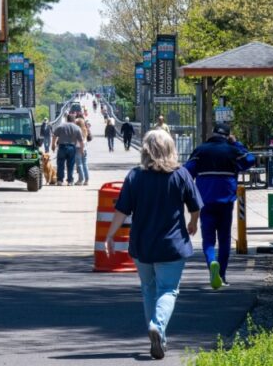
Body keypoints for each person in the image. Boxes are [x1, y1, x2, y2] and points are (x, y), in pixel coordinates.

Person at [103, 130, 202, 361]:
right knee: (168, 289)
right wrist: (192, 222)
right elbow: (195, 205)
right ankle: (157, 326)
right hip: (172, 245)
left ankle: (158, 337)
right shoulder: (181, 174)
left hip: (143, 245)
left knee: (148, 288)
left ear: (146, 150)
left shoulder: (135, 176)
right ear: (171, 148)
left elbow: (122, 210)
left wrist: (110, 235)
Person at [184, 124, 256, 289]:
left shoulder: (200, 151)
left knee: (208, 239)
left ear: (212, 133)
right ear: (228, 136)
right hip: (226, 202)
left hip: (206, 201)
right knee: (224, 239)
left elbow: (187, 172)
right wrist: (236, 143)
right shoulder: (233, 151)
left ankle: (212, 263)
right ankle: (222, 275)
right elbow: (250, 160)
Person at [52, 115, 85, 185]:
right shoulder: (77, 128)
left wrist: (53, 145)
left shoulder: (61, 126)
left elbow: (54, 135)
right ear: (74, 120)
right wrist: (82, 150)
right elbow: (81, 141)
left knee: (60, 164)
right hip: (72, 147)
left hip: (62, 147)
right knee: (71, 165)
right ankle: (70, 181)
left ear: (67, 119)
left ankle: (60, 180)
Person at [76, 118, 92, 186]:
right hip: (85, 148)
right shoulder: (85, 129)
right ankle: (87, 180)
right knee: (84, 164)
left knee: (79, 164)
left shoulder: (78, 130)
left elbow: (80, 141)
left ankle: (81, 180)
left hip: (79, 148)